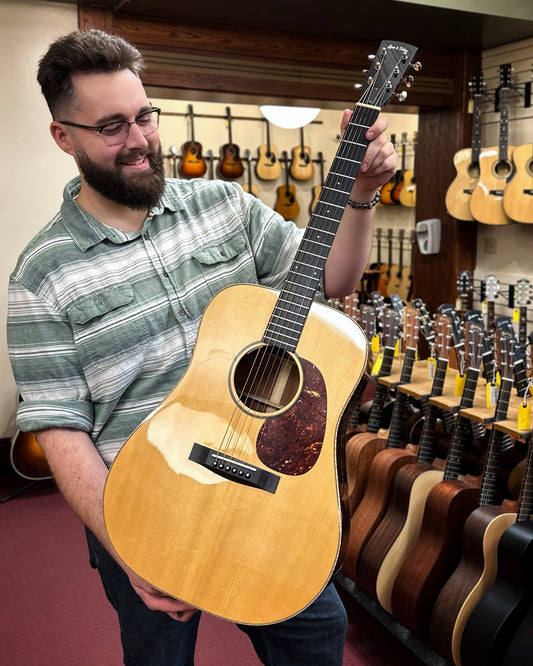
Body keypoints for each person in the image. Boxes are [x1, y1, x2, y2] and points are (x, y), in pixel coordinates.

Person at [7, 29, 397, 666]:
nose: (138, 141)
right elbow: (58, 425)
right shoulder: (40, 274)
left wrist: (357, 195)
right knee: (159, 657)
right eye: (111, 127)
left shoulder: (225, 205)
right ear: (63, 136)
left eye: (144, 117)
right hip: (142, 507)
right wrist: (123, 542)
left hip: (271, 488)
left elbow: (330, 280)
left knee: (316, 637)